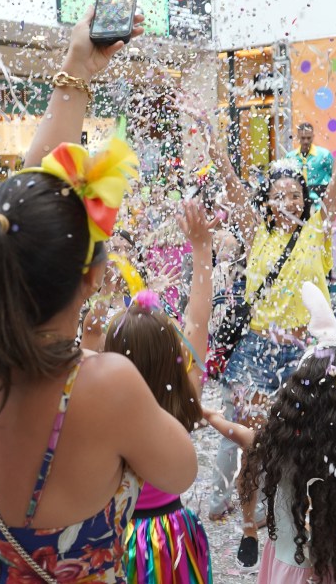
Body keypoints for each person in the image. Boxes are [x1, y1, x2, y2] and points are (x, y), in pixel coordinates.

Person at [0, 10, 198, 583]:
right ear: (93, 279)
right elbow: (181, 471)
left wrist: (77, 68)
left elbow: (16, 215)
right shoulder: (104, 385)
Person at [209, 87, 336, 569]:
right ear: (268, 199)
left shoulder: (317, 231)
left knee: (306, 442)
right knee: (254, 441)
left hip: (303, 354)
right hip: (258, 349)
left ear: (304, 198)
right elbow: (231, 182)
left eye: (294, 194)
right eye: (278, 194)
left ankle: (300, 513)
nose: (286, 201)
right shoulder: (257, 232)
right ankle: (250, 523)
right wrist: (214, 139)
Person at [204, 325, 336, 584]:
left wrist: (210, 416)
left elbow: (241, 434)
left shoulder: (283, 446)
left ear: (299, 398)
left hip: (292, 568)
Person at [106, 203, 214, 584]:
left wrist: (102, 295)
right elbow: (198, 318)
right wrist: (202, 249)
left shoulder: (100, 406)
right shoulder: (183, 395)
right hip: (172, 538)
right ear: (173, 352)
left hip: (117, 539)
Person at [284, 122, 333, 201]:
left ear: (313, 136)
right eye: (303, 138)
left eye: (308, 138)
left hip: (319, 199)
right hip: (298, 198)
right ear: (298, 137)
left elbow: (334, 176)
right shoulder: (290, 157)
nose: (306, 141)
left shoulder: (324, 154)